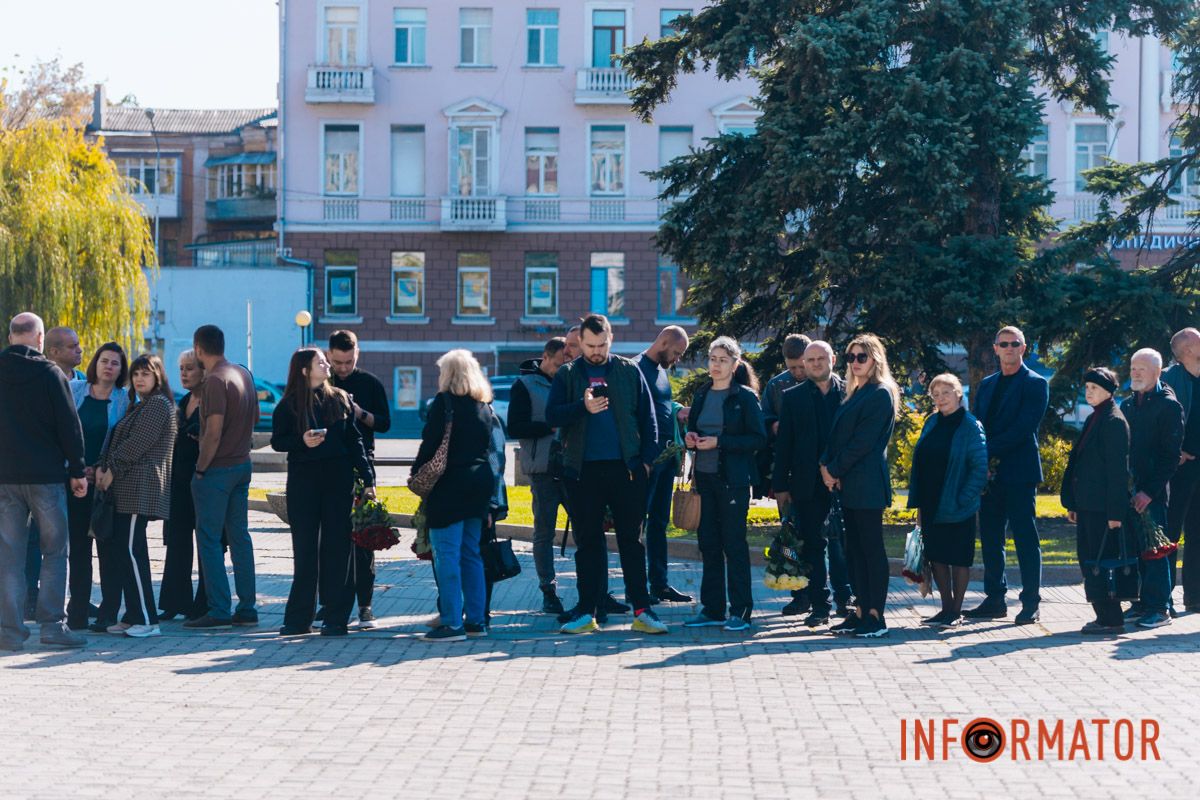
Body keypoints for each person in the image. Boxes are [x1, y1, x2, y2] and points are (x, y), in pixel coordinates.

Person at [546, 314, 668, 635]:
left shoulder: (628, 371)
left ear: (610, 339)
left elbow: (649, 419)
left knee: (631, 541)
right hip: (582, 471)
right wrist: (581, 407)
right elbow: (551, 415)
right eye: (590, 345)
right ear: (580, 343)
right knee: (588, 543)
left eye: (602, 344)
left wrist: (646, 461)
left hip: (626, 469)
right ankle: (587, 611)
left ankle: (642, 610)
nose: (597, 351)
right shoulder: (568, 374)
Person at [271, 348, 375, 637]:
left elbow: (355, 441)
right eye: (320, 362)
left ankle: (335, 617)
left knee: (337, 549)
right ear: (304, 370)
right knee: (304, 550)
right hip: (303, 483)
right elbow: (279, 441)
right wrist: (302, 440)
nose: (327, 364)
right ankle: (298, 619)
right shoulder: (289, 405)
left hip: (337, 482)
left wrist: (368, 478)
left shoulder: (340, 398)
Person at [0, 313, 87, 651]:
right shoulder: (50, 373)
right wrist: (78, 470)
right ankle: (53, 627)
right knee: (54, 552)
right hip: (47, 477)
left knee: (9, 557)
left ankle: (9, 631)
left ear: (11, 338)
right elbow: (69, 424)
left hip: (5, 478)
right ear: (39, 340)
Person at [964, 325, 1050, 625]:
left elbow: (1023, 429)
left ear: (1023, 348)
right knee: (990, 537)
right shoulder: (987, 385)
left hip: (1020, 472)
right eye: (1004, 344)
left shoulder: (1036, 383)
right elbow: (978, 425)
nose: (1010, 348)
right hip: (989, 475)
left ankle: (1031, 602)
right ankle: (995, 599)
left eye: (1015, 344)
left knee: (1025, 538)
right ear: (996, 348)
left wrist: (986, 451)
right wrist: (979, 458)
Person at [681, 337, 766, 631]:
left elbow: (758, 439)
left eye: (722, 360)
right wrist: (690, 439)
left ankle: (740, 611)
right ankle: (712, 608)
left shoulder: (744, 397)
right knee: (709, 544)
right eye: (712, 359)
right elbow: (694, 429)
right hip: (704, 478)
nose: (715, 365)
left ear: (735, 364)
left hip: (733, 481)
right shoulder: (703, 393)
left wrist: (720, 442)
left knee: (733, 544)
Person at [413, 350, 495, 642]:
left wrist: (416, 475)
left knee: (446, 555)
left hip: (449, 487)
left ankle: (452, 623)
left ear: (448, 374)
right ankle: (476, 620)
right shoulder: (484, 407)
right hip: (479, 486)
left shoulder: (443, 404)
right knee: (471, 554)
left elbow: (430, 444)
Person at [821, 333, 898, 638]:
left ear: (875, 359)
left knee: (870, 550)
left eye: (861, 357)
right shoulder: (855, 392)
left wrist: (833, 469)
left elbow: (862, 443)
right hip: (847, 483)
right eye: (851, 357)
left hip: (866, 483)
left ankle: (876, 617)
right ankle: (860, 611)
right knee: (852, 551)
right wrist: (825, 466)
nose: (854, 363)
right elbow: (837, 435)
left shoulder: (880, 393)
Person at [95, 354, 177, 639]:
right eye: (136, 374)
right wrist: (101, 468)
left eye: (146, 373)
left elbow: (139, 443)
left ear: (158, 377)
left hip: (139, 489)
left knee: (130, 552)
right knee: (124, 552)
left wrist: (111, 470)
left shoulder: (157, 405)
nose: (140, 378)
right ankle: (132, 616)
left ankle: (146, 619)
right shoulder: (138, 406)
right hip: (125, 488)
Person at [773, 341, 852, 627]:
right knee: (812, 548)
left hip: (844, 481)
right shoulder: (792, 398)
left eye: (821, 358)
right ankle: (820, 605)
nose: (816, 363)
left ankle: (847, 600)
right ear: (803, 363)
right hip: (806, 484)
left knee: (844, 544)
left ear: (832, 359)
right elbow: (785, 445)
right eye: (810, 360)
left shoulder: (850, 392)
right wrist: (780, 486)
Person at [186, 324, 260, 630]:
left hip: (217, 470)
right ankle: (247, 607)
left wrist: (200, 468)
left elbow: (213, 432)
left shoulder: (214, 381)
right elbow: (254, 418)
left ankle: (218, 609)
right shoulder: (243, 373)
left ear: (199, 349)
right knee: (240, 537)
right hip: (242, 464)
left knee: (209, 538)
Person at [906, 374, 988, 628]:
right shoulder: (931, 423)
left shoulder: (970, 425)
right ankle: (945, 609)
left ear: (958, 394)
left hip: (959, 503)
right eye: (936, 394)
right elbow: (920, 461)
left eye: (946, 392)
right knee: (937, 556)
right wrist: (919, 502)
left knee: (959, 558)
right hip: (931, 501)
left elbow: (979, 467)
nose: (941, 398)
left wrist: (964, 498)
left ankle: (956, 610)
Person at [328, 329, 392, 629]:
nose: (343, 368)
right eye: (338, 362)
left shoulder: (369, 383)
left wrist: (358, 413)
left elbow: (384, 423)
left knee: (363, 541)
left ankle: (365, 605)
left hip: (362, 465)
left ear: (357, 355)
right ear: (329, 355)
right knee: (330, 541)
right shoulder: (322, 382)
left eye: (348, 362)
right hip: (328, 467)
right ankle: (330, 602)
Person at [1061, 368, 1131, 635]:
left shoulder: (1113, 420)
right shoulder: (1097, 416)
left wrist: (1116, 513)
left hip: (1103, 508)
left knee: (1102, 562)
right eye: (1087, 387)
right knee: (1090, 561)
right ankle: (1103, 615)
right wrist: (1074, 505)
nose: (1088, 391)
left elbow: (1117, 472)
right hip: (1088, 505)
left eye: (1094, 387)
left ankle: (1111, 618)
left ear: (1109, 391)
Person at [68, 343, 131, 632]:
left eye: (115, 363)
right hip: (76, 481)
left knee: (108, 550)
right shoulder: (75, 390)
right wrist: (79, 469)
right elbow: (63, 430)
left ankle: (108, 612)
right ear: (95, 363)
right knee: (79, 549)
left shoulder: (125, 399)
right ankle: (77, 611)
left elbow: (125, 441)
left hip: (107, 485)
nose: (108, 367)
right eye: (104, 361)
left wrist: (103, 469)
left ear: (121, 370)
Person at [24, 326, 85, 616]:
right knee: (38, 539)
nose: (79, 350)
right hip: (43, 472)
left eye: (78, 345)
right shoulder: (39, 379)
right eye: (72, 346)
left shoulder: (85, 382)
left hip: (74, 472)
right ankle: (31, 598)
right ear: (53, 351)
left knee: (69, 539)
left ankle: (75, 599)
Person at [507, 336, 570, 614]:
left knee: (587, 528)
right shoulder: (524, 385)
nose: (561, 369)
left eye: (565, 364)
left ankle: (595, 592)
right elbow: (515, 426)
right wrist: (550, 427)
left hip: (571, 466)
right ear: (545, 357)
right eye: (557, 364)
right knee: (544, 532)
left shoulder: (570, 380)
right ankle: (549, 590)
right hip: (543, 468)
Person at [1123, 348, 1184, 627]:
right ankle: (1142, 603)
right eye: (1133, 367)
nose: (1135, 372)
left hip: (1153, 493)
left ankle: (1160, 609)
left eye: (1142, 368)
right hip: (1129, 490)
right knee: (1136, 548)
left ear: (1157, 372)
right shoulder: (1127, 404)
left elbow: (1170, 457)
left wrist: (1148, 492)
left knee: (1155, 549)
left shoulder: (1169, 406)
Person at [638, 325, 693, 605]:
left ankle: (659, 584)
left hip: (665, 460)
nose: (677, 359)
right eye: (677, 352)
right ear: (663, 342)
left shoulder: (661, 372)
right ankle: (636, 586)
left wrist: (676, 408)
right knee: (638, 524)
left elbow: (662, 405)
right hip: (645, 463)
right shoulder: (636, 369)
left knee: (658, 524)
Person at [158, 350, 214, 621]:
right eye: (180, 368)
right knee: (178, 541)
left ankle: (205, 601)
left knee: (206, 542)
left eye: (190, 368)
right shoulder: (183, 401)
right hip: (179, 482)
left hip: (203, 480)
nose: (183, 373)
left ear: (204, 371)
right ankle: (174, 601)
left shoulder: (212, 402)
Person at [1163, 326, 1200, 611]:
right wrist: (1175, 452)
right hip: (1179, 469)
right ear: (1187, 349)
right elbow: (1159, 422)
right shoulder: (1169, 380)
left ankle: (1195, 596)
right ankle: (1162, 595)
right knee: (1171, 530)